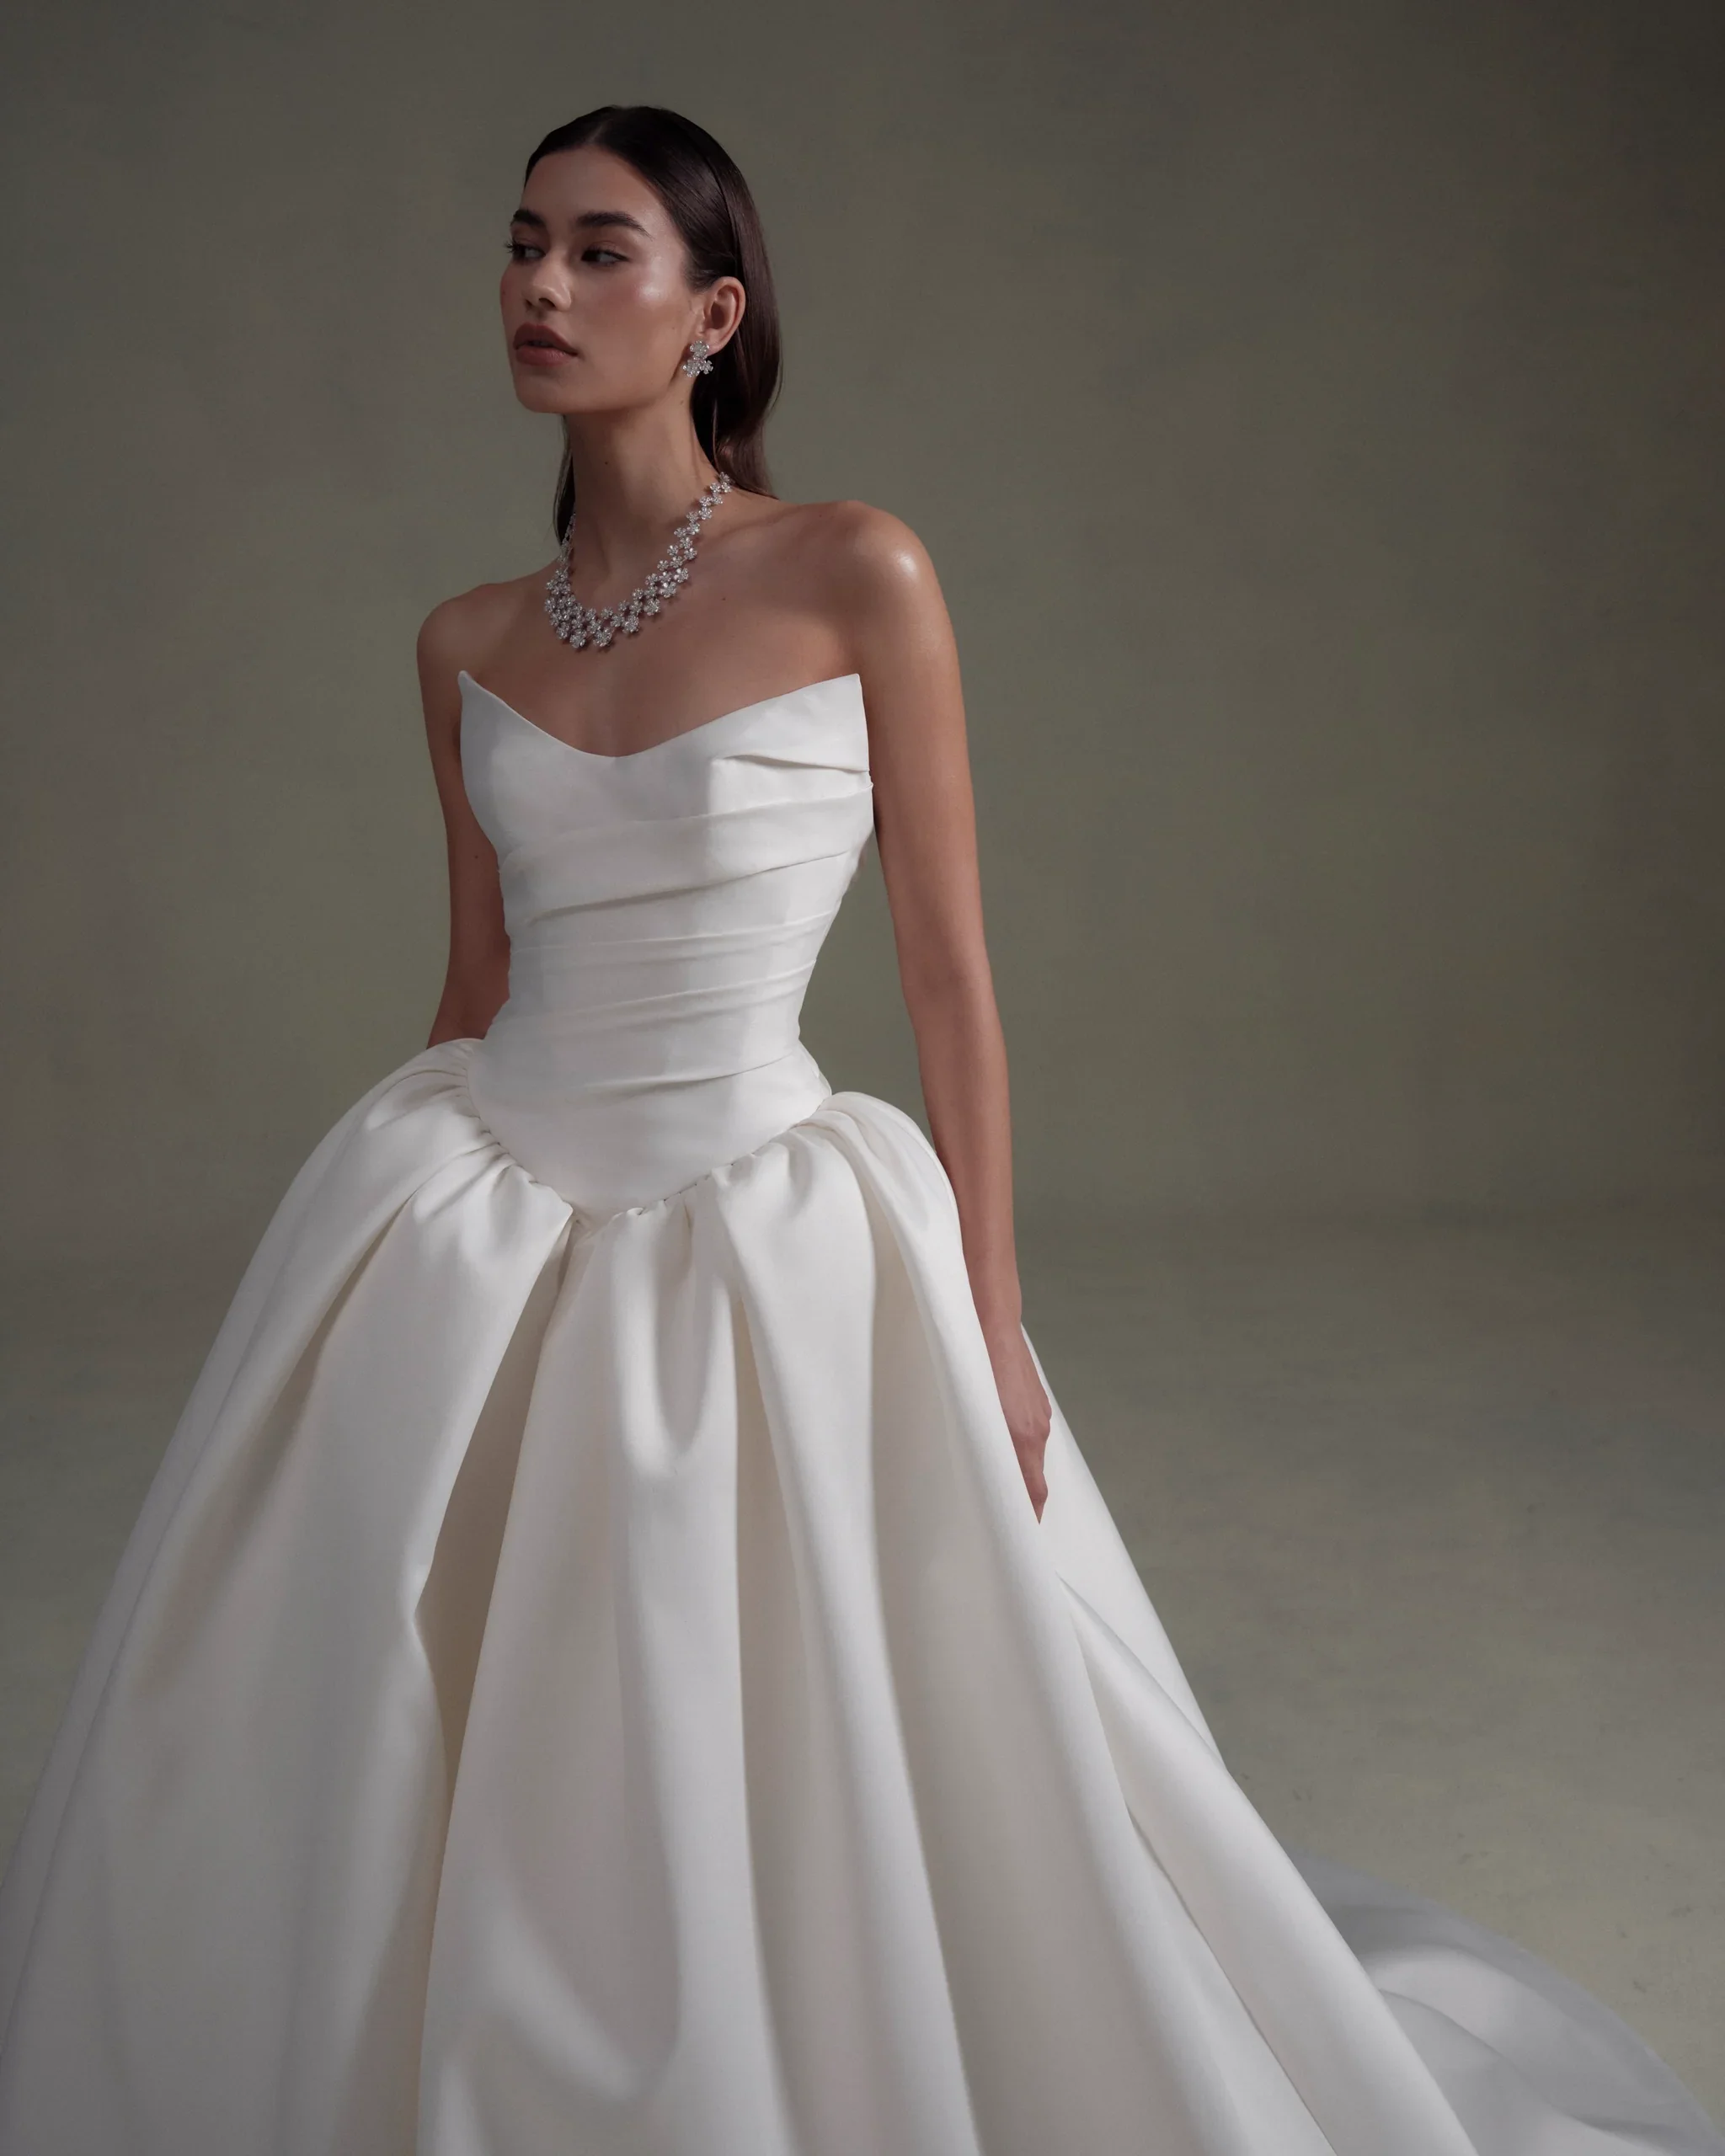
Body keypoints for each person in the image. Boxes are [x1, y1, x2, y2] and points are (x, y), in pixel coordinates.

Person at [0, 101, 1717, 2156]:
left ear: (712, 313)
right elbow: (475, 987)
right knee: (428, 1714)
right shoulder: (466, 639)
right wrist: (369, 1275)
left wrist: (987, 1319)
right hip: (496, 1198)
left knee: (805, 1729)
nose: (541, 287)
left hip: (763, 1212)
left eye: (601, 252)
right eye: (523, 243)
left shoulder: (856, 569)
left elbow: (947, 977)